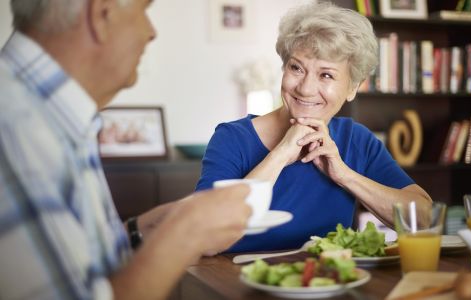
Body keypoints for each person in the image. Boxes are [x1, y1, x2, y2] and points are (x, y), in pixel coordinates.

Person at [0, 0, 252, 299]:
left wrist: (137, 231)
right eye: (144, 10)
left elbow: (75, 262)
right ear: (102, 14)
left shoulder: (47, 114)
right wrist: (184, 235)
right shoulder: (16, 128)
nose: (151, 32)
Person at [196, 2, 432, 252]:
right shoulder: (233, 138)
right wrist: (281, 154)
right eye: (296, 68)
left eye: (326, 75)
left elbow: (423, 219)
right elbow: (203, 234)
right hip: (237, 283)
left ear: (352, 87)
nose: (305, 88)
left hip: (328, 282)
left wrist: (344, 175)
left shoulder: (356, 139)